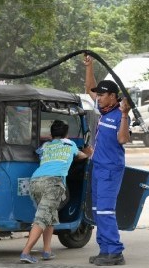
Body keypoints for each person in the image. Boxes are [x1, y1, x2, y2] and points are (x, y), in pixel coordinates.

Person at [20, 120, 91, 264]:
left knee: (50, 216)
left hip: (35, 182)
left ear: (51, 134)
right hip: (53, 184)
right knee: (42, 219)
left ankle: (47, 251)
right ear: (66, 134)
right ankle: (26, 252)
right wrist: (88, 152)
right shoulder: (69, 144)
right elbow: (82, 156)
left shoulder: (45, 145)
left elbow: (38, 153)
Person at [84, 55, 131, 266]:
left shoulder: (119, 115)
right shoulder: (102, 110)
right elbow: (89, 88)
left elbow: (123, 139)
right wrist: (90, 66)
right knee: (97, 211)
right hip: (98, 167)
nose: (99, 98)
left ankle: (115, 252)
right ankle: (105, 250)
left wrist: (124, 114)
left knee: (105, 209)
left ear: (113, 96)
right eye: (99, 95)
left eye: (103, 95)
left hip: (111, 169)